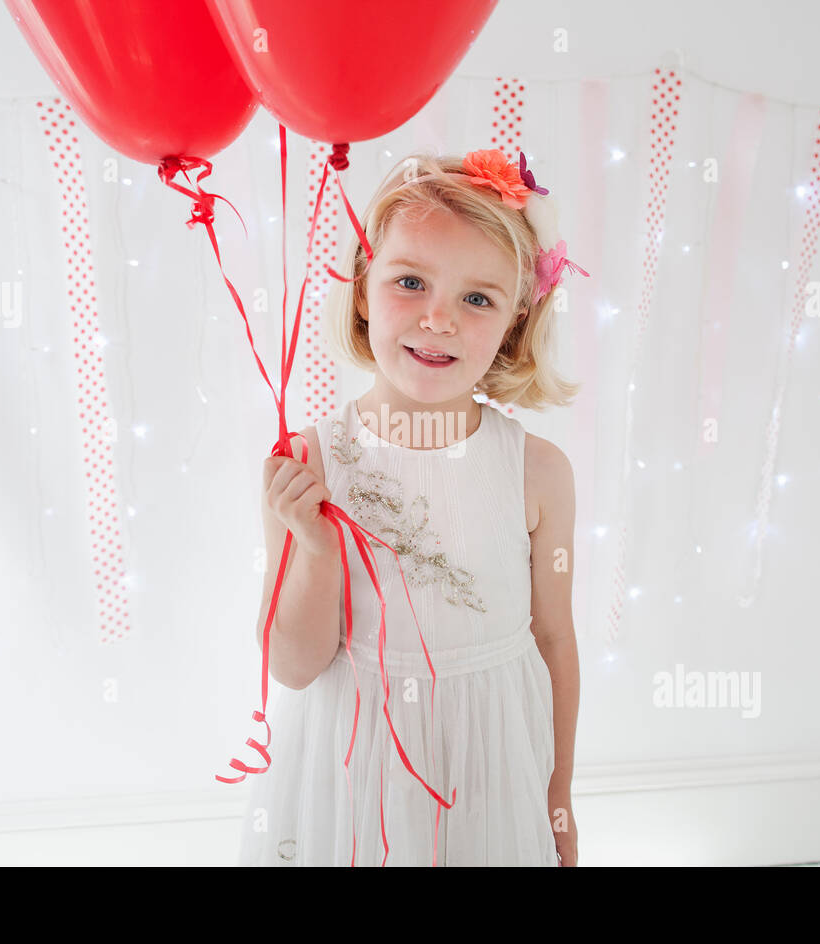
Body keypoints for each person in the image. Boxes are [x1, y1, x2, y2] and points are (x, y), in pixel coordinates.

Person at [237, 148, 586, 866]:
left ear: (516, 320)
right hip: (351, 771)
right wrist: (314, 544)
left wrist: (558, 796)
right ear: (364, 289)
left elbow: (554, 639)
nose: (439, 320)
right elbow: (296, 666)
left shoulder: (537, 472)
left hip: (488, 769)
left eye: (477, 298)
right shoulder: (308, 464)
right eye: (410, 282)